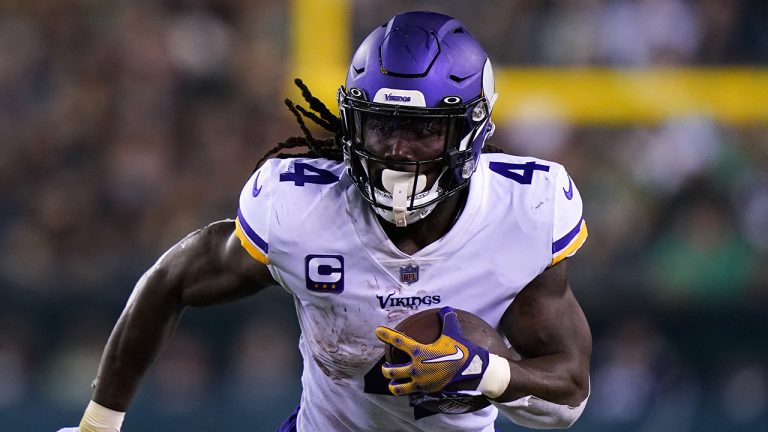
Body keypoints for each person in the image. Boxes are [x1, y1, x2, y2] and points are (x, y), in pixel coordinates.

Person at [59, 11, 591, 432]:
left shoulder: (524, 210)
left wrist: (483, 373)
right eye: (381, 125)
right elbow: (171, 279)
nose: (398, 150)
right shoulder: (301, 209)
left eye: (422, 129)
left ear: (473, 131)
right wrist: (98, 424)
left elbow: (568, 393)